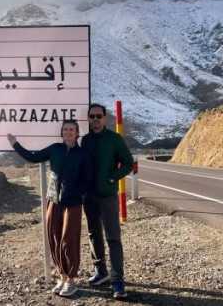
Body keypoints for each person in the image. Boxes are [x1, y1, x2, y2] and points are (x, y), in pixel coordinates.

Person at [7, 119, 92, 298]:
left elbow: (88, 178)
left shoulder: (83, 153)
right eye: (65, 129)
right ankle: (61, 275)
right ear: (61, 133)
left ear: (77, 133)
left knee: (69, 239)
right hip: (53, 199)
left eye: (72, 129)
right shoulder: (55, 149)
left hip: (73, 203)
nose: (68, 132)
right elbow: (33, 157)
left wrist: (79, 194)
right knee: (53, 237)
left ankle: (71, 279)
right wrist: (15, 144)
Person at [82, 103, 134, 300]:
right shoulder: (85, 140)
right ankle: (100, 272)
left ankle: (118, 281)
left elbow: (128, 163)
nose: (95, 120)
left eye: (98, 116)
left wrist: (113, 178)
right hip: (89, 197)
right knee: (93, 234)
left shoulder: (114, 139)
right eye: (92, 116)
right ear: (88, 118)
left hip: (108, 196)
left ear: (105, 118)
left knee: (113, 238)